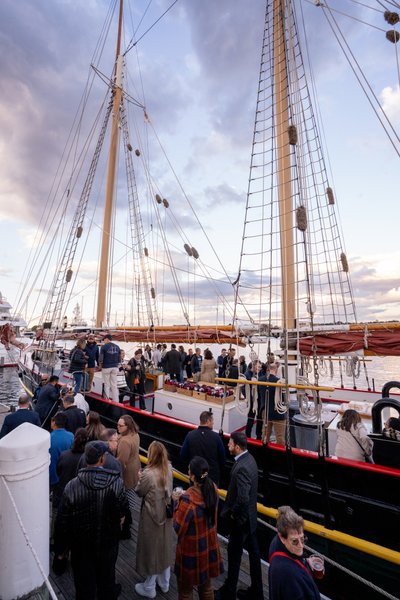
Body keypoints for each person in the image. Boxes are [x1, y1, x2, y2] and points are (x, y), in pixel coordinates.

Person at [54, 441, 128, 600]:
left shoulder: (71, 487)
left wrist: (60, 551)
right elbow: (123, 513)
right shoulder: (117, 483)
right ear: (102, 459)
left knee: (83, 588)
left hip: (81, 549)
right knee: (107, 583)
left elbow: (61, 523)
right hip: (108, 546)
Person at [217, 431, 263, 600]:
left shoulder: (242, 467)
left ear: (237, 446)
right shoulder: (250, 459)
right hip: (250, 519)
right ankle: (257, 591)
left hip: (241, 522)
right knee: (255, 555)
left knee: (234, 557)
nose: (227, 445)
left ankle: (229, 593)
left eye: (230, 443)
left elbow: (243, 498)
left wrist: (233, 514)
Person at [174, 456, 224, 600]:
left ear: (193, 476)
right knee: (207, 588)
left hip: (191, 551)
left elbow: (177, 527)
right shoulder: (213, 488)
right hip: (208, 546)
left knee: (185, 592)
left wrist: (176, 503)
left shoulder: (188, 501)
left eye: (189, 470)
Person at [134, 441, 174, 598]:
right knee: (165, 546)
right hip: (166, 513)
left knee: (152, 549)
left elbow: (139, 491)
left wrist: (139, 478)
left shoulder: (148, 473)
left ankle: (149, 586)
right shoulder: (168, 468)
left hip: (152, 516)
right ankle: (165, 583)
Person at [268, 505, 321, 600]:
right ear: (282, 537)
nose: (301, 546)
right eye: (295, 541)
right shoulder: (290, 575)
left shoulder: (276, 544)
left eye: (302, 539)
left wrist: (305, 561)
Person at [180, 411, 226, 486]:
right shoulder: (216, 438)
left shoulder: (190, 435)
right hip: (211, 478)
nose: (213, 423)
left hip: (195, 476)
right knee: (211, 497)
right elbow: (222, 459)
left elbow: (182, 455)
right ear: (208, 421)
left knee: (194, 496)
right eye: (212, 421)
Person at [117, 414, 141, 538]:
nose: (118, 427)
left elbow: (121, 462)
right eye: (117, 425)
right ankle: (129, 520)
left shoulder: (125, 442)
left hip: (127, 475)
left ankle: (125, 530)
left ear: (127, 426)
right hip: (135, 470)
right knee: (130, 497)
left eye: (120, 426)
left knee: (125, 501)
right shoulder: (135, 434)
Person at [53, 427, 89, 508]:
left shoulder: (64, 455)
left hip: (62, 494)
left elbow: (58, 471)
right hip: (79, 497)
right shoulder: (88, 459)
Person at [49, 413, 74, 489]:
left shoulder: (48, 437)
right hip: (66, 475)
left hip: (52, 475)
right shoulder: (71, 436)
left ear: (54, 423)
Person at [264, 362, 286, 445]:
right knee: (280, 436)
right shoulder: (279, 382)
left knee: (265, 434)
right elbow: (283, 398)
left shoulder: (261, 379)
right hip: (277, 412)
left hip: (266, 411)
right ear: (276, 370)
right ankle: (279, 455)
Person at [245, 361, 267, 440]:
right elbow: (244, 389)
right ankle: (247, 436)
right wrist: (249, 398)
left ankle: (258, 436)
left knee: (259, 419)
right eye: (258, 367)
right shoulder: (247, 375)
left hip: (259, 400)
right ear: (253, 366)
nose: (259, 369)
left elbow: (266, 367)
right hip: (252, 401)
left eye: (260, 367)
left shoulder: (260, 373)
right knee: (250, 419)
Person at [99, 334, 121, 403]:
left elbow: (101, 358)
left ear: (107, 339)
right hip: (115, 367)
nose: (104, 341)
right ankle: (116, 400)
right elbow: (119, 358)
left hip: (106, 367)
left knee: (106, 384)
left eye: (104, 340)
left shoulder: (103, 347)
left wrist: (100, 365)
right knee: (114, 384)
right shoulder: (117, 347)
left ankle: (106, 400)